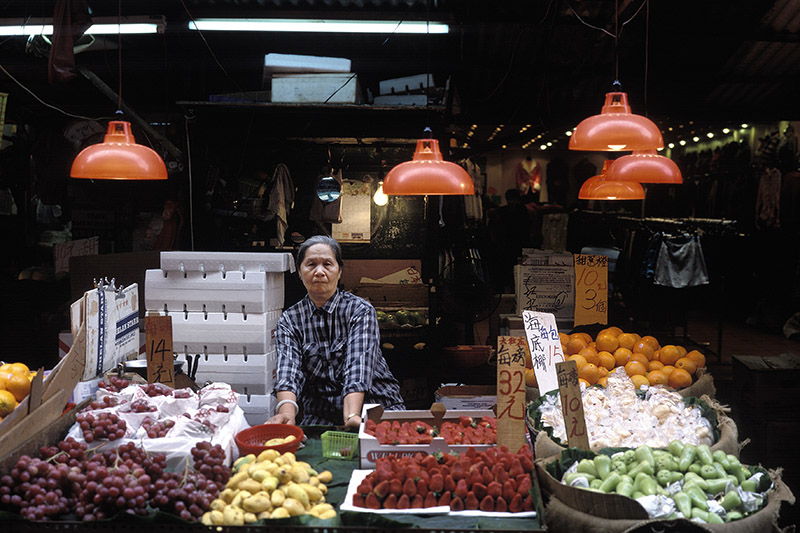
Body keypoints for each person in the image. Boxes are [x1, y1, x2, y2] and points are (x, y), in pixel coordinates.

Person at [268, 235, 405, 429]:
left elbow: (358, 367)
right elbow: (288, 373)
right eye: (311, 264)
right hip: (323, 414)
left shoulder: (360, 311)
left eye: (327, 264)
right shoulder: (289, 321)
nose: (319, 272)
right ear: (299, 272)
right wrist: (287, 414)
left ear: (339, 271)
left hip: (375, 406)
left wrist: (351, 416)